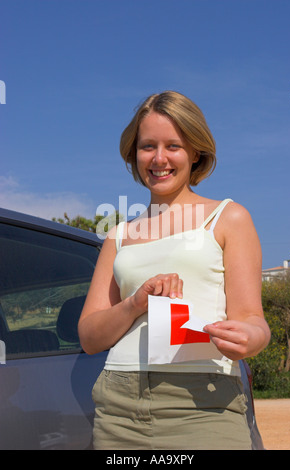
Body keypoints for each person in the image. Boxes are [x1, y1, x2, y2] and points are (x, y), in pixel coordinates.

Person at [78, 90, 271, 450]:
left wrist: (251, 339)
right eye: (148, 146)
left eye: (174, 146)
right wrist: (135, 303)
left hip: (204, 404)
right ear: (134, 153)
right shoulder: (118, 236)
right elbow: (90, 337)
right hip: (119, 406)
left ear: (196, 151)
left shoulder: (229, 217)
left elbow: (252, 319)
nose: (159, 158)